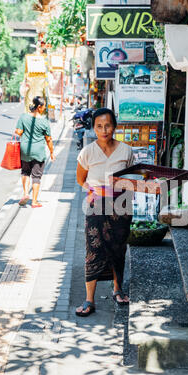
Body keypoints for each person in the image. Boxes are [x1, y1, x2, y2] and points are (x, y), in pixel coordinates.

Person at [76, 108, 135, 317]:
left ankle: (117, 289)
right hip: (96, 208)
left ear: (115, 126)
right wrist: (93, 191)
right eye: (99, 126)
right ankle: (89, 299)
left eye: (108, 125)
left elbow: (134, 178)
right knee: (94, 250)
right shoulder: (87, 152)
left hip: (121, 207)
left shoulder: (126, 151)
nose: (104, 130)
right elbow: (80, 179)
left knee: (118, 249)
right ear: (93, 127)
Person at [14, 96, 56, 208]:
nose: (45, 108)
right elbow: (48, 139)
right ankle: (34, 201)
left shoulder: (23, 117)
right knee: (36, 176)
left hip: (25, 150)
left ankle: (25, 194)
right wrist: (52, 152)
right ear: (39, 107)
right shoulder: (44, 122)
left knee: (25, 172)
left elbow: (18, 132)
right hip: (38, 151)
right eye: (43, 106)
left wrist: (23, 131)